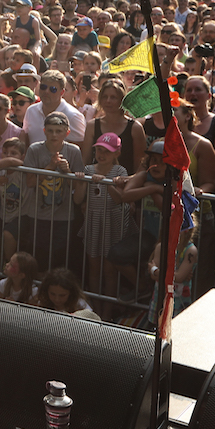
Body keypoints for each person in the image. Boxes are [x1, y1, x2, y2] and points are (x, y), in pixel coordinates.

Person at [74, 132, 133, 318]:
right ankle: (95, 310)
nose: (101, 154)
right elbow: (77, 200)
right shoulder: (89, 169)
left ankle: (107, 312)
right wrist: (82, 180)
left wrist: (108, 183)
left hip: (112, 224)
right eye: (99, 149)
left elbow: (119, 199)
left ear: (116, 152)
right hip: (94, 222)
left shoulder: (120, 172)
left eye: (106, 151)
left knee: (109, 270)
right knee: (93, 267)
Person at [24, 112, 85, 270]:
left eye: (58, 131)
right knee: (38, 256)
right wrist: (50, 168)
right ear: (44, 131)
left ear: (67, 132)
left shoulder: (74, 151)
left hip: (63, 216)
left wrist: (68, 171)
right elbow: (29, 182)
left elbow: (76, 186)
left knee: (59, 257)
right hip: (37, 214)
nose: (54, 135)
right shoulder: (34, 149)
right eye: (50, 130)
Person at [147, 222, 198, 323]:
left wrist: (156, 271)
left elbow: (179, 278)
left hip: (179, 302)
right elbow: (153, 276)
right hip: (159, 299)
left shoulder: (190, 250)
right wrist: (171, 274)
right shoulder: (161, 247)